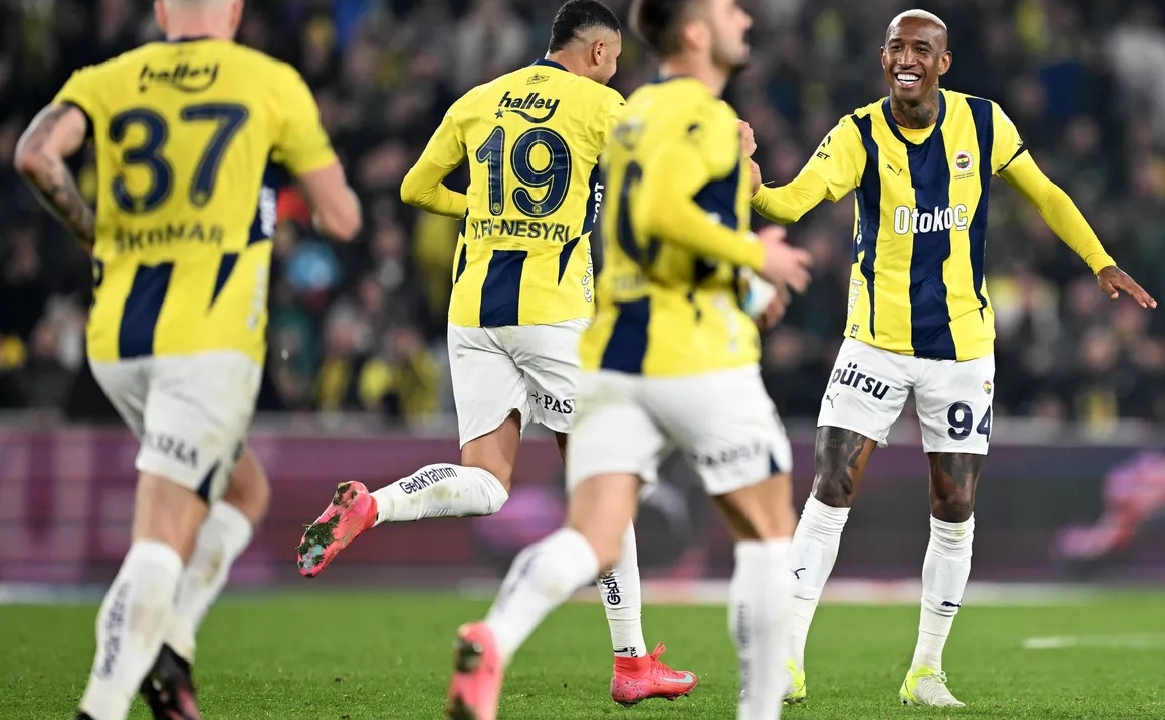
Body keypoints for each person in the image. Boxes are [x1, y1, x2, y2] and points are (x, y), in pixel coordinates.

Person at [748, 8, 1157, 709]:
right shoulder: (855, 134)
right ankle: (785, 660)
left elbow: (1046, 193)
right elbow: (788, 206)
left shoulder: (984, 122)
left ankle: (925, 671)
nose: (906, 58)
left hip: (961, 350)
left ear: (943, 62)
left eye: (921, 49)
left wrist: (1099, 261)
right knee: (831, 488)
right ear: (883, 59)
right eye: (895, 47)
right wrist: (748, 183)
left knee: (955, 503)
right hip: (874, 342)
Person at [294, 0, 697, 706]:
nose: (614, 72)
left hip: (473, 311)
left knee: (487, 481)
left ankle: (373, 506)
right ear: (598, 53)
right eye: (613, 60)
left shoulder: (479, 100)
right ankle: (631, 661)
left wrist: (484, 208)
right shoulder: (600, 106)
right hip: (551, 313)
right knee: (606, 485)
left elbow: (415, 187)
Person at [440, 0, 815, 717]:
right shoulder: (694, 116)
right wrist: (752, 258)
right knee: (768, 536)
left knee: (593, 535)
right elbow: (668, 214)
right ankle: (759, 710)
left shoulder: (630, 113)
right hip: (698, 356)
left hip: (613, 354)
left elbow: (650, 218)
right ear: (696, 33)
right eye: (729, 9)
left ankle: (495, 635)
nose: (744, 17)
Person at [14, 0, 361, 718]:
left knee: (243, 491)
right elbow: (341, 217)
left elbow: (35, 154)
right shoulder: (269, 81)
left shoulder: (107, 77)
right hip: (205, 342)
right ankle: (103, 705)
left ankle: (170, 647)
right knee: (162, 533)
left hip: (115, 340)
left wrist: (91, 231)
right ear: (234, 12)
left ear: (160, 9)